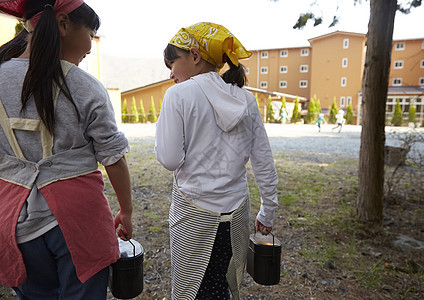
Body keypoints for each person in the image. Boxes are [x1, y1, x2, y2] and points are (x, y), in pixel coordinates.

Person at [0, 0, 133, 299]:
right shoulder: (85, 86)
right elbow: (113, 157)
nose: (90, 45)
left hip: (14, 220)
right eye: (89, 32)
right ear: (62, 24)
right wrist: (126, 209)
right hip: (79, 220)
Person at [155, 22, 279, 300]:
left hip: (193, 215)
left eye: (172, 63)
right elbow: (263, 161)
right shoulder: (246, 100)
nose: (171, 73)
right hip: (236, 215)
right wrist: (267, 211)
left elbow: (170, 158)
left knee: (192, 290)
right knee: (221, 285)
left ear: (195, 56)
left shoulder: (178, 95)